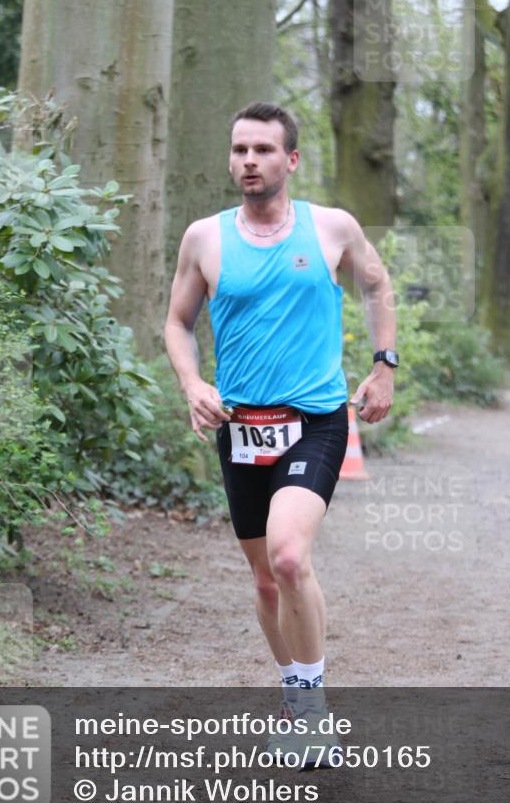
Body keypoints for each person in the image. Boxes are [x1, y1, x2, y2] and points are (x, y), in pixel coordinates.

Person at [164, 102, 397, 762]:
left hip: (314, 423)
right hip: (239, 429)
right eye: (239, 150)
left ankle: (315, 712)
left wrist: (383, 369)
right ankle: (295, 704)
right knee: (266, 580)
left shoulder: (331, 229)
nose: (248, 161)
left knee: (290, 556)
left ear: (290, 160)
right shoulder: (204, 239)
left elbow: (378, 288)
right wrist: (192, 384)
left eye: (263, 150)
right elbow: (177, 322)